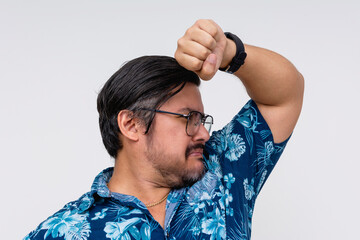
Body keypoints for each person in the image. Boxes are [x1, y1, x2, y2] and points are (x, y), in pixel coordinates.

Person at [24, 19, 304, 240]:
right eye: (188, 118)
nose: (204, 133)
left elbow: (284, 96)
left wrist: (228, 52)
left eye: (202, 119)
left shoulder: (224, 171)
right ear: (131, 125)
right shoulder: (65, 231)